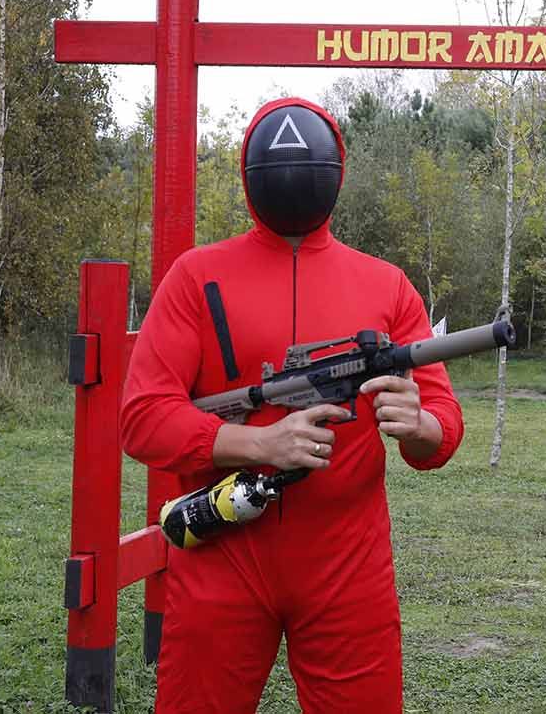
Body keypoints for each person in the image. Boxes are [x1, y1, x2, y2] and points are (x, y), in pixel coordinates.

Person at [121, 97, 463, 714]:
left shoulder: (388, 287)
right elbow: (143, 416)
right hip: (224, 547)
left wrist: (419, 425)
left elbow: (442, 429)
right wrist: (258, 445)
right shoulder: (195, 278)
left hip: (348, 562)